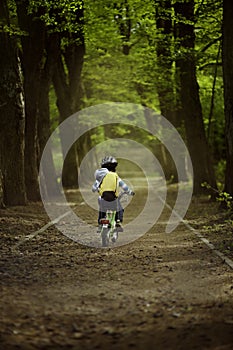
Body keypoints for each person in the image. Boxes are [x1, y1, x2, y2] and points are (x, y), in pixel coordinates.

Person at [92, 156, 134, 232]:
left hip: (103, 198)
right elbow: (124, 186)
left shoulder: (100, 177)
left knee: (102, 209)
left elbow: (94, 188)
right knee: (120, 209)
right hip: (113, 199)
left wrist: (98, 189)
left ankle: (100, 223)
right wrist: (130, 192)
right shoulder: (115, 176)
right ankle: (118, 221)